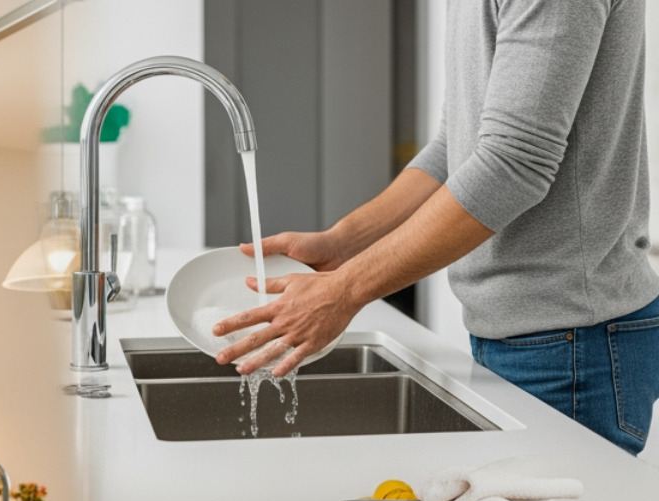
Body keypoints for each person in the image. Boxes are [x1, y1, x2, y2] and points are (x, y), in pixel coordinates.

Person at [213, 0, 659, 455]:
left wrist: (345, 291)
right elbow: (456, 145)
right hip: (525, 333)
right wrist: (346, 242)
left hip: (573, 341)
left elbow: (513, 164)